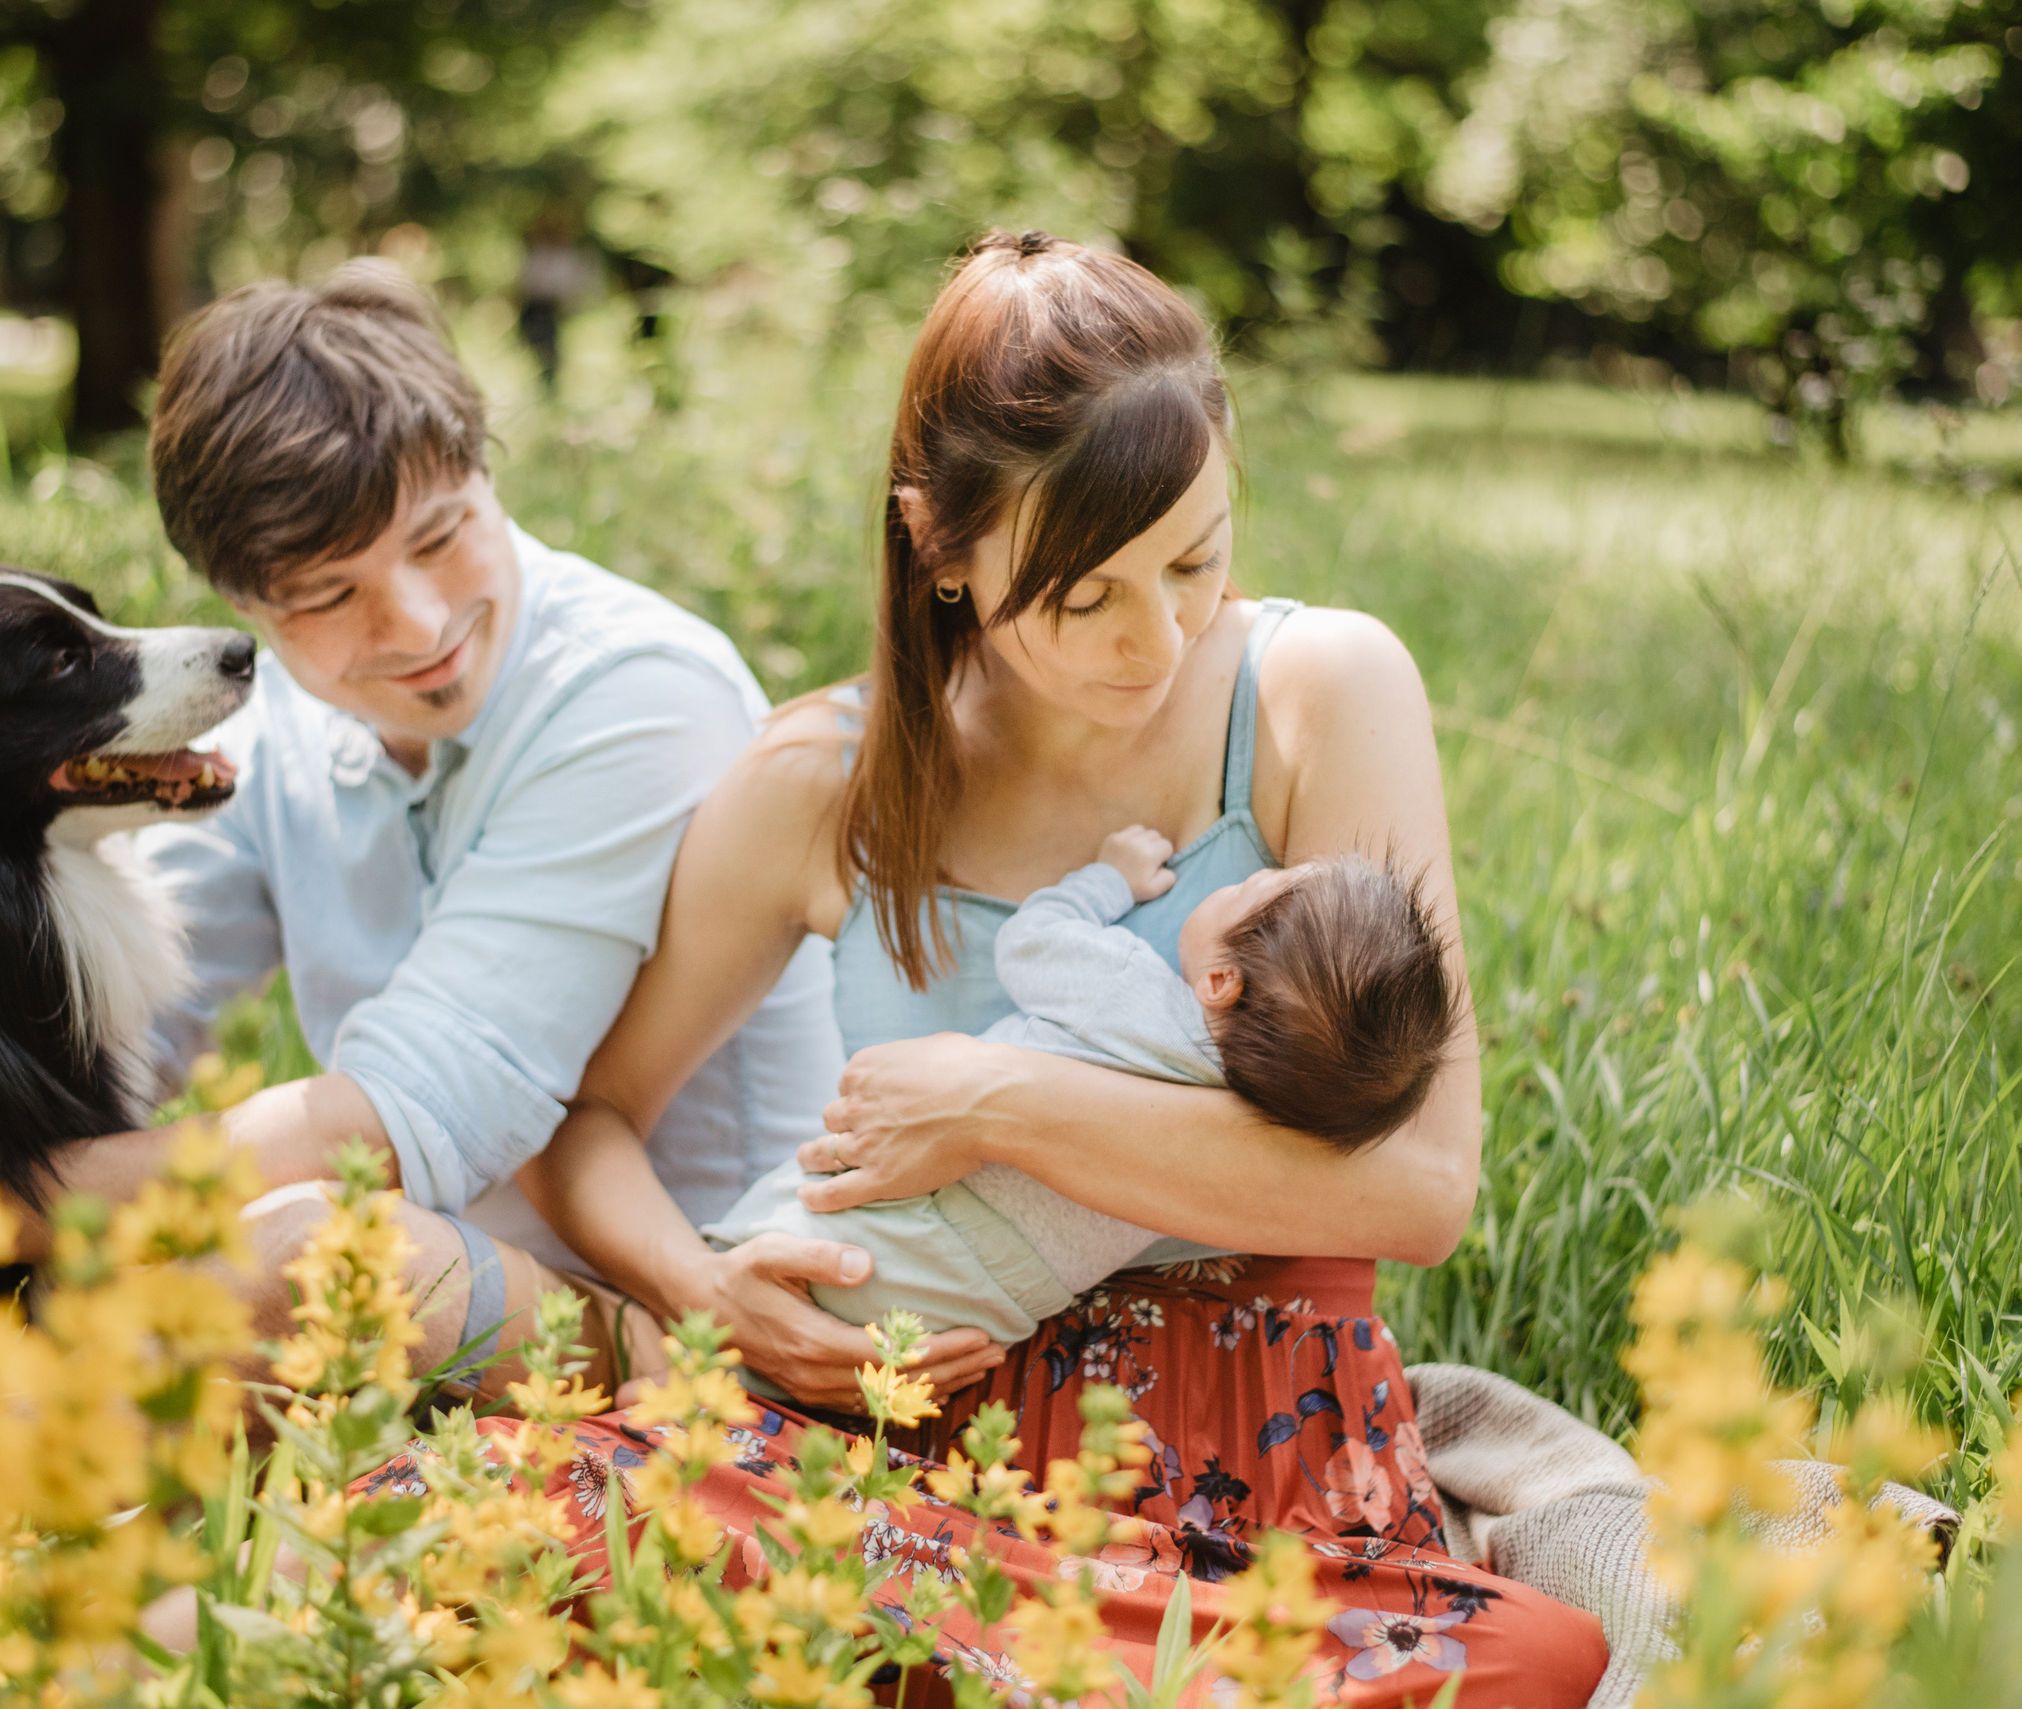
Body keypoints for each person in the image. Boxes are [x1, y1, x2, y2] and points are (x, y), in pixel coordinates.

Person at [494, 230, 1610, 1704]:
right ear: (940, 550)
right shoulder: (823, 783)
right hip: (905, 1436)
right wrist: (702, 1292)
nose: (1158, 638)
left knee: (1537, 1656)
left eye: (1197, 561)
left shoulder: (1318, 692)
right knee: (559, 1516)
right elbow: (590, 1125)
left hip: (1253, 1454)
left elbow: (1417, 1188)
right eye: (1087, 596)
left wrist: (1000, 1103)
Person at [0, 259, 1001, 1404]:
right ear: (242, 603)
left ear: (486, 467)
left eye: (442, 536)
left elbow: (402, 1116)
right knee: (140, 1268)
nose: (415, 624)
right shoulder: (274, 732)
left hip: (692, 1320)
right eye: (328, 597)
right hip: (448, 1305)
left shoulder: (633, 694)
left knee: (292, 1253)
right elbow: (109, 1022)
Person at [699, 827, 1458, 1359]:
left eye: (1251, 887)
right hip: (971, 1310)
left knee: (759, 1247)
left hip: (893, 1226)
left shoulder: (1128, 990)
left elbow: (1032, 940)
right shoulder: (1242, 1123)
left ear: (1220, 981)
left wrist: (1109, 878)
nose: (1242, 879)